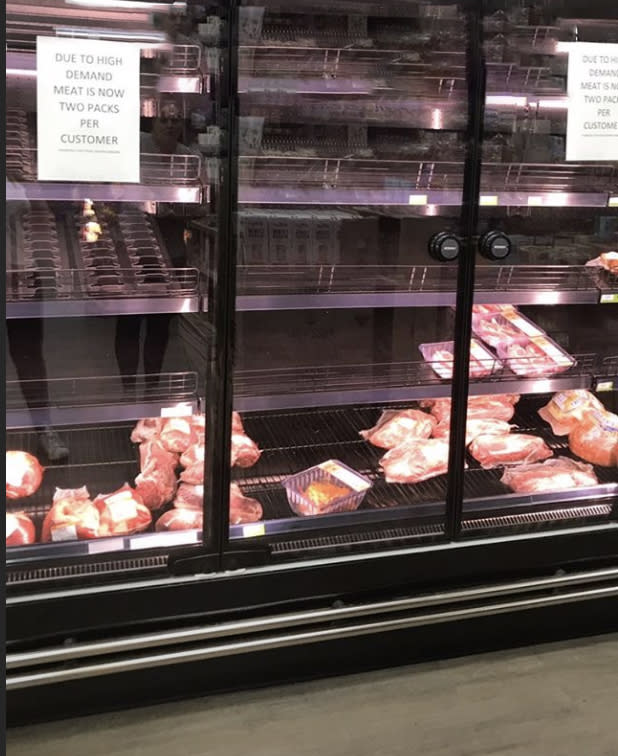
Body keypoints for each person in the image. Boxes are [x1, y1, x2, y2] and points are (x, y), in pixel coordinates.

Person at [115, 102, 194, 393]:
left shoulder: (189, 159)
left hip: (171, 253)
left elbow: (204, 206)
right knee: (129, 321)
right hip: (134, 250)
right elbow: (115, 191)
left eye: (176, 120)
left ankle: (150, 387)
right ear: (154, 122)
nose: (171, 125)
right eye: (165, 119)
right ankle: (127, 387)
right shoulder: (135, 148)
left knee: (159, 324)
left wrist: (174, 211)